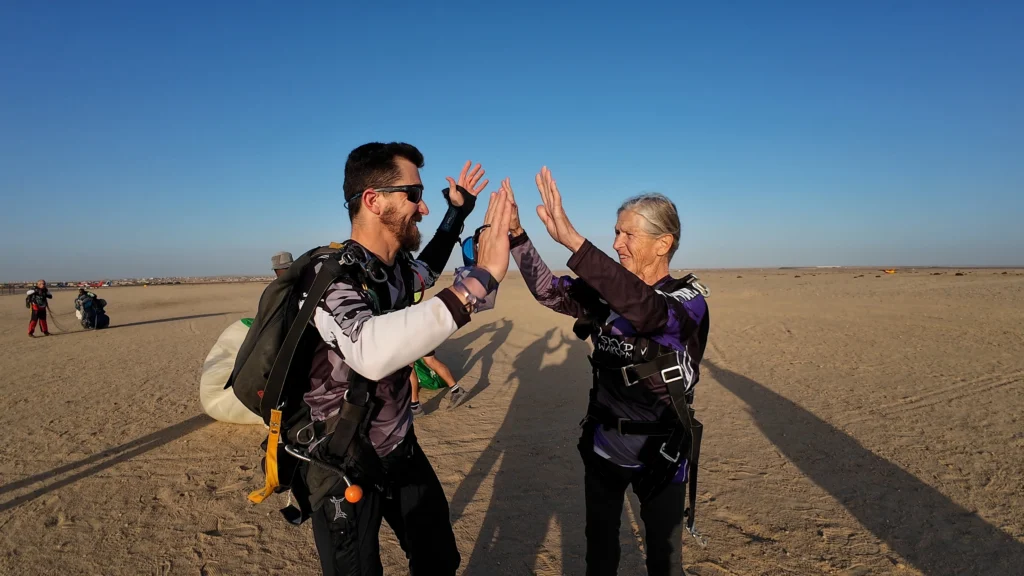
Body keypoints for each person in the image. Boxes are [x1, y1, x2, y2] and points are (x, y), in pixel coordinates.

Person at [288, 142, 514, 575]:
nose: (424, 207)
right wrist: (479, 281)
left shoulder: (390, 269)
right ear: (373, 200)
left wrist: (458, 214)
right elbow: (368, 351)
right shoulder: (328, 276)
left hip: (399, 446)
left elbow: (426, 270)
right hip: (342, 461)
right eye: (413, 194)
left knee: (438, 558)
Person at [504, 171, 710, 576]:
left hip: (662, 456)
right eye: (615, 233)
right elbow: (550, 291)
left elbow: (650, 313)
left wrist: (576, 243)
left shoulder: (688, 299)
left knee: (664, 563)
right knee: (599, 552)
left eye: (628, 235)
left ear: (663, 243)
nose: (617, 243)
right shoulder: (607, 292)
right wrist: (516, 235)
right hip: (603, 448)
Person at [408, 350, 466, 415]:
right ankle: (456, 390)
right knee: (431, 360)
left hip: (411, 342)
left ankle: (415, 406)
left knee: (408, 367)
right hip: (423, 340)